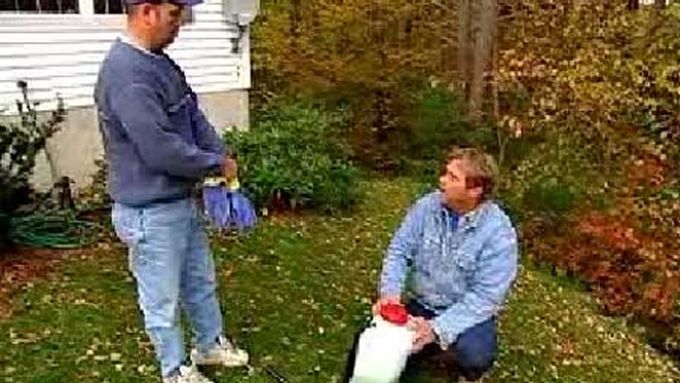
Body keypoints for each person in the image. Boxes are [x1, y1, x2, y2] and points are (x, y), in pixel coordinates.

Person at [94, 0, 248, 382]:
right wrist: (212, 165)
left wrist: (220, 158)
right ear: (147, 11)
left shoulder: (161, 62)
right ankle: (175, 371)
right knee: (161, 299)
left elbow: (192, 116)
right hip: (149, 212)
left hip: (180, 201)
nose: (182, 24)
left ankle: (209, 345)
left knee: (200, 280)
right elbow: (159, 149)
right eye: (175, 14)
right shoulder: (127, 74)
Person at [345, 147, 518, 382]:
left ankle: (461, 368)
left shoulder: (499, 233)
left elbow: (485, 297)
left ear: (475, 190)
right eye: (445, 173)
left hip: (463, 311)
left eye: (452, 177)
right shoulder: (427, 207)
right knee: (367, 339)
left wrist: (436, 329)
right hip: (421, 303)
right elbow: (399, 251)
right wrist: (390, 296)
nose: (442, 181)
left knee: (475, 355)